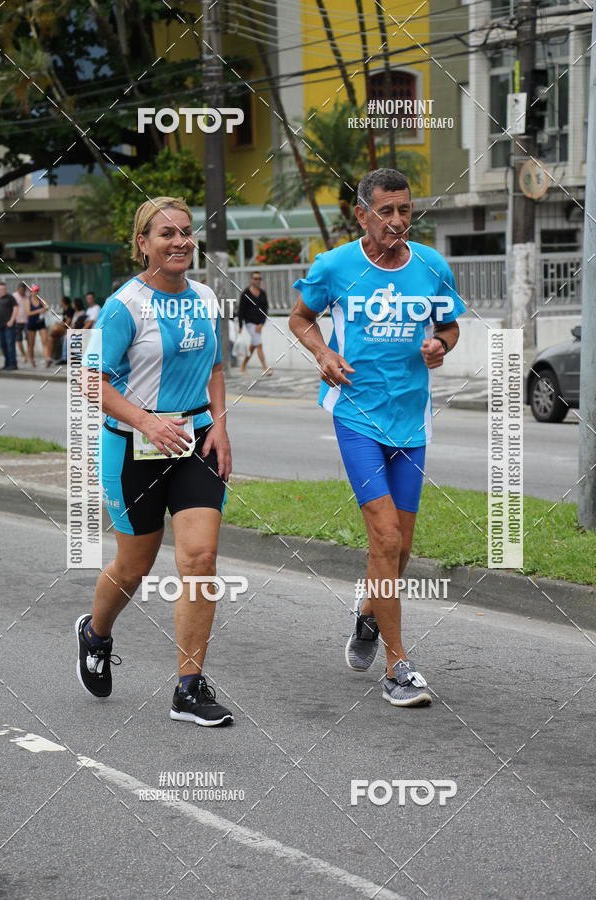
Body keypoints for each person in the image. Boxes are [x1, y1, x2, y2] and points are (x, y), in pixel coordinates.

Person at [289, 168, 465, 708]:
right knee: (385, 538)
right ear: (361, 213)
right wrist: (323, 353)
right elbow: (300, 318)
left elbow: (450, 327)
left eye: (405, 211)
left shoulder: (431, 265)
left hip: (411, 420)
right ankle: (397, 666)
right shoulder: (336, 265)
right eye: (385, 212)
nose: (396, 222)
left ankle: (367, 617)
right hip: (357, 414)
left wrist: (440, 344)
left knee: (402, 548)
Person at [77, 195, 233, 727]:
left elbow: (214, 367)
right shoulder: (125, 305)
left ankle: (189, 687)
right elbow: (89, 380)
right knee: (133, 567)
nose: (180, 242)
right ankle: (95, 633)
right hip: (134, 450)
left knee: (199, 559)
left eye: (186, 232)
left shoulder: (207, 297)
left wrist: (222, 426)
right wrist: (146, 421)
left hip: (195, 444)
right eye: (166, 233)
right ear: (143, 244)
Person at [238, 271, 271, 375]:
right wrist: (240, 326)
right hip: (249, 323)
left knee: (254, 345)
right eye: (255, 278)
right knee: (259, 344)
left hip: (259, 324)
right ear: (251, 280)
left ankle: (243, 365)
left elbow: (265, 309)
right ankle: (265, 368)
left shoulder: (262, 293)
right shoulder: (246, 293)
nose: (257, 281)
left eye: (259, 279)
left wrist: (261, 323)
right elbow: (241, 310)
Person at [26, 284, 49, 367]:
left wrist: (45, 307)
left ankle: (47, 360)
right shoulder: (28, 301)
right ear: (31, 292)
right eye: (35, 291)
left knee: (44, 341)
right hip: (32, 323)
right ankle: (32, 360)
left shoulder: (40, 300)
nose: (36, 292)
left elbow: (46, 306)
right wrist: (40, 310)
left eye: (37, 290)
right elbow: (28, 313)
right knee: (31, 343)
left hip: (40, 322)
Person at [0, 281, 18, 370]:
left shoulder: (10, 298)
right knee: (3, 345)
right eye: (1, 289)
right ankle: (7, 363)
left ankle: (13, 364)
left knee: (10, 344)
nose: (3, 290)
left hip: (9, 325)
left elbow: (16, 309)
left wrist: (11, 320)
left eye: (4, 289)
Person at [46, 296, 73, 366]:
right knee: (51, 338)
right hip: (63, 330)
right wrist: (59, 324)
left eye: (61, 301)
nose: (60, 303)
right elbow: (64, 322)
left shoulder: (70, 310)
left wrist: (59, 324)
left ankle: (52, 357)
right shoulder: (64, 310)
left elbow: (67, 324)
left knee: (54, 330)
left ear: (64, 302)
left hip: (68, 330)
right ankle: (49, 358)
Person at [13, 282, 28, 364]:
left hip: (27, 321)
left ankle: (29, 353)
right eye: (20, 291)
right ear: (18, 289)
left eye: (23, 291)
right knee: (19, 339)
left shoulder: (27, 296)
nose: (22, 292)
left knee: (28, 338)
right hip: (17, 321)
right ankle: (23, 355)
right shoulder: (14, 296)